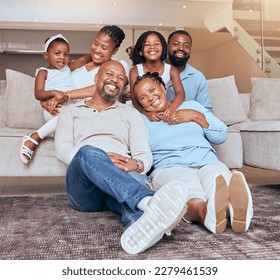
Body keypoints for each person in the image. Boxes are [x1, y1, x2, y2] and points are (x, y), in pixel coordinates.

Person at [55, 60, 189, 255]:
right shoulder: (71, 111)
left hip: (120, 177)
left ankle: (140, 226)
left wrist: (138, 163)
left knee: (129, 183)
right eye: (109, 74)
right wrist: (101, 161)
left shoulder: (130, 114)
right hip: (85, 189)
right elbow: (62, 149)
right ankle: (149, 201)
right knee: (88, 152)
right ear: (96, 78)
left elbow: (143, 154)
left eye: (120, 78)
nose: (114, 80)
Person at [133, 72, 253, 234]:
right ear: (141, 105)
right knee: (187, 191)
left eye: (152, 90)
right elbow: (138, 151)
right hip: (170, 167)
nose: (150, 97)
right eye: (143, 97)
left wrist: (197, 117)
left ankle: (231, 209)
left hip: (207, 161)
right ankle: (205, 212)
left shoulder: (193, 106)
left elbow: (221, 135)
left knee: (218, 181)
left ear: (162, 87)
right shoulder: (141, 120)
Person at [20, 25, 129, 164]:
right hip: (60, 114)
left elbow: (103, 88)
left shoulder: (118, 66)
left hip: (86, 118)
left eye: (104, 47)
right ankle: (37, 137)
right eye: (95, 43)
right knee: (69, 118)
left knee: (76, 121)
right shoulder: (74, 69)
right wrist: (46, 102)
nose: (97, 49)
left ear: (115, 50)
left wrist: (67, 95)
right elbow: (54, 85)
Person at [129, 31, 185, 122]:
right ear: (140, 51)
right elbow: (134, 99)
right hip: (144, 109)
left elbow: (180, 93)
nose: (152, 47)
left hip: (162, 106)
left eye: (156, 44)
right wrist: (147, 114)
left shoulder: (172, 70)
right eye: (147, 45)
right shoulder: (135, 71)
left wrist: (171, 108)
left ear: (163, 48)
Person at [166, 30, 213, 112]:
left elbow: (207, 111)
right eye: (176, 44)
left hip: (188, 122)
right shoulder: (155, 70)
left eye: (186, 46)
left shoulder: (198, 78)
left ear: (190, 50)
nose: (181, 48)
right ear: (168, 47)